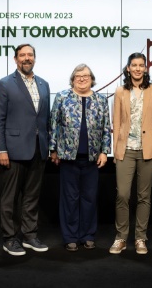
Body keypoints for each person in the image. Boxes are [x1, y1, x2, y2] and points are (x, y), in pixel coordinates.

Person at [0, 43, 51, 256]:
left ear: (35, 58)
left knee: (32, 196)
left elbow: (46, 120)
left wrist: (49, 146)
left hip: (38, 149)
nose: (27, 58)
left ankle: (30, 235)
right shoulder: (5, 84)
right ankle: (9, 238)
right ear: (15, 59)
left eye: (30, 55)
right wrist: (1, 149)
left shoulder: (44, 84)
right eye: (22, 55)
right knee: (10, 197)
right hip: (14, 150)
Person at [109, 52, 152, 255]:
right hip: (126, 150)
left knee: (144, 196)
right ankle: (121, 238)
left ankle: (141, 238)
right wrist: (115, 151)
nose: (137, 68)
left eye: (140, 65)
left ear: (145, 68)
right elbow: (116, 123)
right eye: (133, 65)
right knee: (123, 195)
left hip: (148, 150)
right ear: (128, 68)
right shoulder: (120, 91)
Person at [49, 63, 111, 252]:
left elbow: (106, 127)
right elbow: (54, 125)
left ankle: (88, 235)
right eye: (78, 76)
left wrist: (104, 151)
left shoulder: (101, 100)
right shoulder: (62, 97)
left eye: (85, 76)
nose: (82, 79)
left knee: (89, 198)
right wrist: (53, 149)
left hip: (92, 158)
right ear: (72, 79)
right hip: (68, 157)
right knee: (69, 198)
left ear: (92, 79)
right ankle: (70, 237)